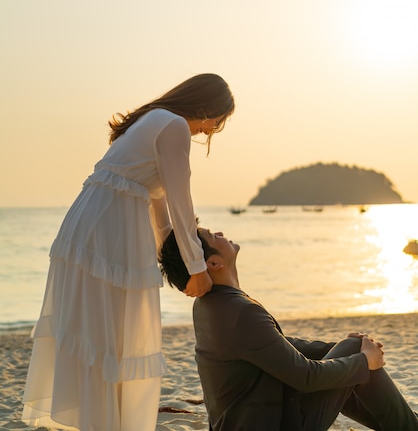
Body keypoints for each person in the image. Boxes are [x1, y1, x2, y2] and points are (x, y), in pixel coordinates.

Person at [22, 73, 235, 431]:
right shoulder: (174, 126)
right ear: (207, 107)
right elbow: (181, 201)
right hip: (109, 230)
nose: (210, 131)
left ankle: (101, 421)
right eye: (216, 121)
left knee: (102, 334)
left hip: (92, 223)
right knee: (114, 335)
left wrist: (175, 263)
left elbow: (162, 213)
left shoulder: (151, 120)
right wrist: (197, 269)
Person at [159, 226, 418, 431]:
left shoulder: (210, 304)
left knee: (350, 352)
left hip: (248, 419)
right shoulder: (240, 312)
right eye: (212, 235)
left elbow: (274, 343)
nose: (221, 234)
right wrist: (364, 360)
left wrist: (336, 349)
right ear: (214, 264)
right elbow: (306, 377)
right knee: (354, 355)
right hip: (274, 424)